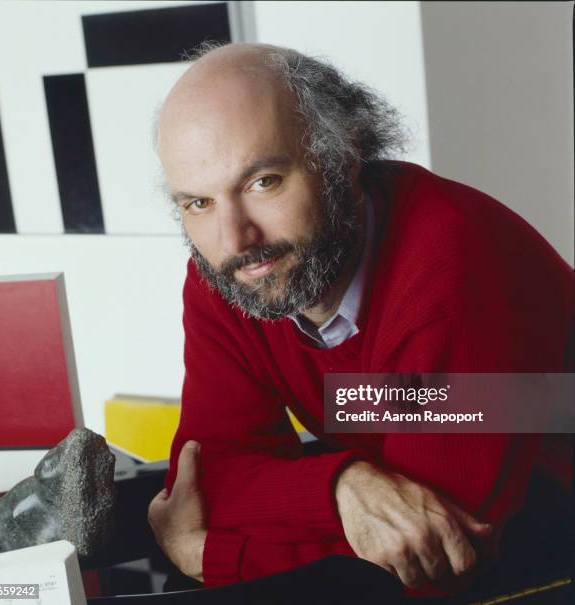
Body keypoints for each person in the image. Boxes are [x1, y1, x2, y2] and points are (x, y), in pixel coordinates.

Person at [147, 42, 573, 593]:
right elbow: (207, 477)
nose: (234, 240)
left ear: (342, 154)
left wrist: (205, 553)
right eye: (198, 203)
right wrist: (341, 484)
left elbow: (436, 558)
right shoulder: (232, 273)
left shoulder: (454, 268)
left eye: (263, 182)